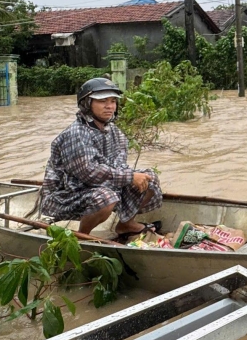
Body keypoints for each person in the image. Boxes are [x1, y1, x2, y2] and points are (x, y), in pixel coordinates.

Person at [41, 77, 162, 239]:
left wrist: (133, 177)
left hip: (98, 188)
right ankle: (81, 236)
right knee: (106, 197)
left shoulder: (114, 131)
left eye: (113, 101)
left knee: (150, 178)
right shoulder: (76, 133)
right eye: (102, 101)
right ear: (87, 103)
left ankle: (125, 224)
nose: (109, 106)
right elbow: (89, 173)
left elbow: (119, 165)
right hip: (65, 196)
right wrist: (129, 177)